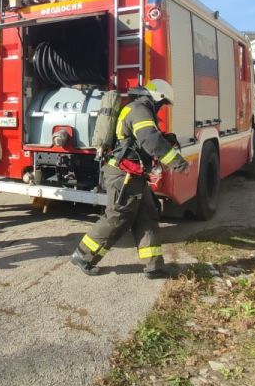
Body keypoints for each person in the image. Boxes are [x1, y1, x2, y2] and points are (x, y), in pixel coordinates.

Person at [70, 79, 189, 279]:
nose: (162, 108)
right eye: (163, 103)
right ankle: (83, 255)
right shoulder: (139, 109)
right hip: (123, 176)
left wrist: (166, 139)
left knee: (147, 217)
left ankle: (154, 266)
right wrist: (178, 163)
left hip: (134, 176)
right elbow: (149, 139)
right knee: (117, 217)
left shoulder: (141, 110)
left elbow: (140, 139)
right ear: (156, 97)